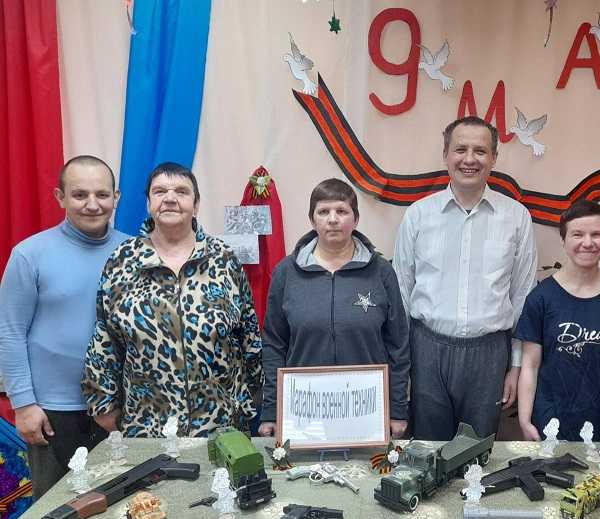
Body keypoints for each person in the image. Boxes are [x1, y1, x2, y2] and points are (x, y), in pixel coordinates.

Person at [82, 162, 262, 437]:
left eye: (181, 191)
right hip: (147, 428)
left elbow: (248, 333)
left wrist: (252, 399)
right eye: (159, 191)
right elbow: (105, 338)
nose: (170, 198)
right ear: (148, 203)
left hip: (220, 426)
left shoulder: (223, 258)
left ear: (196, 204)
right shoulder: (122, 261)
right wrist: (103, 405)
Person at [393, 116, 537, 440]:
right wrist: (403, 368)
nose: (469, 159)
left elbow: (523, 296)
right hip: (426, 349)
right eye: (460, 149)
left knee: (478, 453)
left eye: (480, 151)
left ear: (494, 157)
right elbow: (401, 292)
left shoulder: (517, 217)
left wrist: (515, 366)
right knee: (428, 451)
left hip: (490, 354)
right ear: (446, 154)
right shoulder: (418, 215)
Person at [0, 156, 128, 498]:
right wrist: (23, 405)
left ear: (116, 197)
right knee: (55, 514)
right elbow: (10, 333)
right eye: (80, 194)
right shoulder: (29, 255)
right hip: (51, 414)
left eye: (102, 194)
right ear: (60, 197)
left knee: (121, 510)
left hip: (118, 410)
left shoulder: (133, 254)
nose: (92, 204)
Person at [259, 179, 410, 438]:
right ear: (312, 220)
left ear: (356, 219)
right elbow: (274, 345)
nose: (332, 219)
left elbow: (398, 345)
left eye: (341, 211)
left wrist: (397, 409)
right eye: (323, 211)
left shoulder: (382, 272)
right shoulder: (286, 273)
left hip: (366, 408)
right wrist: (272, 410)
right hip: (305, 410)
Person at [515, 200, 600, 445]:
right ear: (563, 239)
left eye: (597, 234)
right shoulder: (541, 298)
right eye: (577, 234)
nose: (587, 243)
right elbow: (530, 365)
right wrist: (524, 419)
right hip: (550, 422)